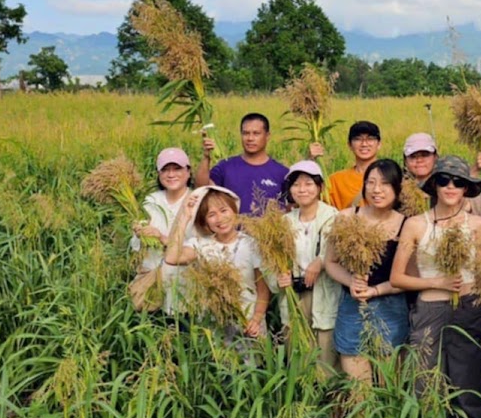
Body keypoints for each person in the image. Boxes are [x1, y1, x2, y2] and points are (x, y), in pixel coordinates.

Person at [390, 155, 481, 418]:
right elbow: (398, 278)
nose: (450, 187)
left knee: (467, 385)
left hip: (470, 310)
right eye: (444, 180)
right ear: (434, 185)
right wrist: (440, 282)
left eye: (458, 182)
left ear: (466, 189)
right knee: (426, 384)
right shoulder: (415, 224)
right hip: (430, 309)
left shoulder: (476, 225)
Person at [324, 158, 410, 382]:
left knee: (389, 384)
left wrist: (377, 290)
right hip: (353, 307)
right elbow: (330, 262)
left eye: (384, 183)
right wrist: (351, 281)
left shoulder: (407, 224)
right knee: (358, 387)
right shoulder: (346, 218)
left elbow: (409, 276)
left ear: (397, 188)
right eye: (370, 182)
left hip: (392, 309)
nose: (376, 189)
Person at [164, 186, 272, 341]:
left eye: (224, 210)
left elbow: (263, 289)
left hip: (249, 324)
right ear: (205, 221)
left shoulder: (251, 244)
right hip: (215, 326)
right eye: (211, 215)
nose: (220, 219)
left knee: (254, 364)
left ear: (234, 211)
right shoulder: (200, 245)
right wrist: (185, 216)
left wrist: (256, 319)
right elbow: (172, 258)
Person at [278, 160, 341, 372]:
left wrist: (321, 261)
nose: (302, 189)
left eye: (308, 183)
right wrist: (280, 275)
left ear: (319, 187)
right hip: (295, 294)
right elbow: (273, 259)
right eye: (296, 184)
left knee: (325, 351)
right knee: (298, 350)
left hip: (323, 291)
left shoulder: (333, 217)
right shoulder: (284, 222)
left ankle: (329, 399)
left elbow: (340, 253)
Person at [130, 147, 193, 314]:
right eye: (165, 169)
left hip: (184, 286)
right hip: (151, 283)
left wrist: (161, 237)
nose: (171, 174)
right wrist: (139, 233)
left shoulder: (196, 201)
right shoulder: (151, 201)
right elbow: (136, 247)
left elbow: (200, 248)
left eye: (177, 168)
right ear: (158, 174)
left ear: (188, 172)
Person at [197, 113, 289, 216]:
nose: (250, 138)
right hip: (233, 231)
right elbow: (202, 189)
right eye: (245, 133)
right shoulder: (226, 167)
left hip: (268, 231)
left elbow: (295, 205)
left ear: (267, 136)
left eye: (256, 133)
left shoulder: (282, 172)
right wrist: (206, 157)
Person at [327, 121, 382, 209]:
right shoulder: (336, 181)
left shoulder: (391, 176)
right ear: (349, 145)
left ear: (379, 144)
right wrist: (311, 160)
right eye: (358, 139)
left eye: (370, 139)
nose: (364, 144)